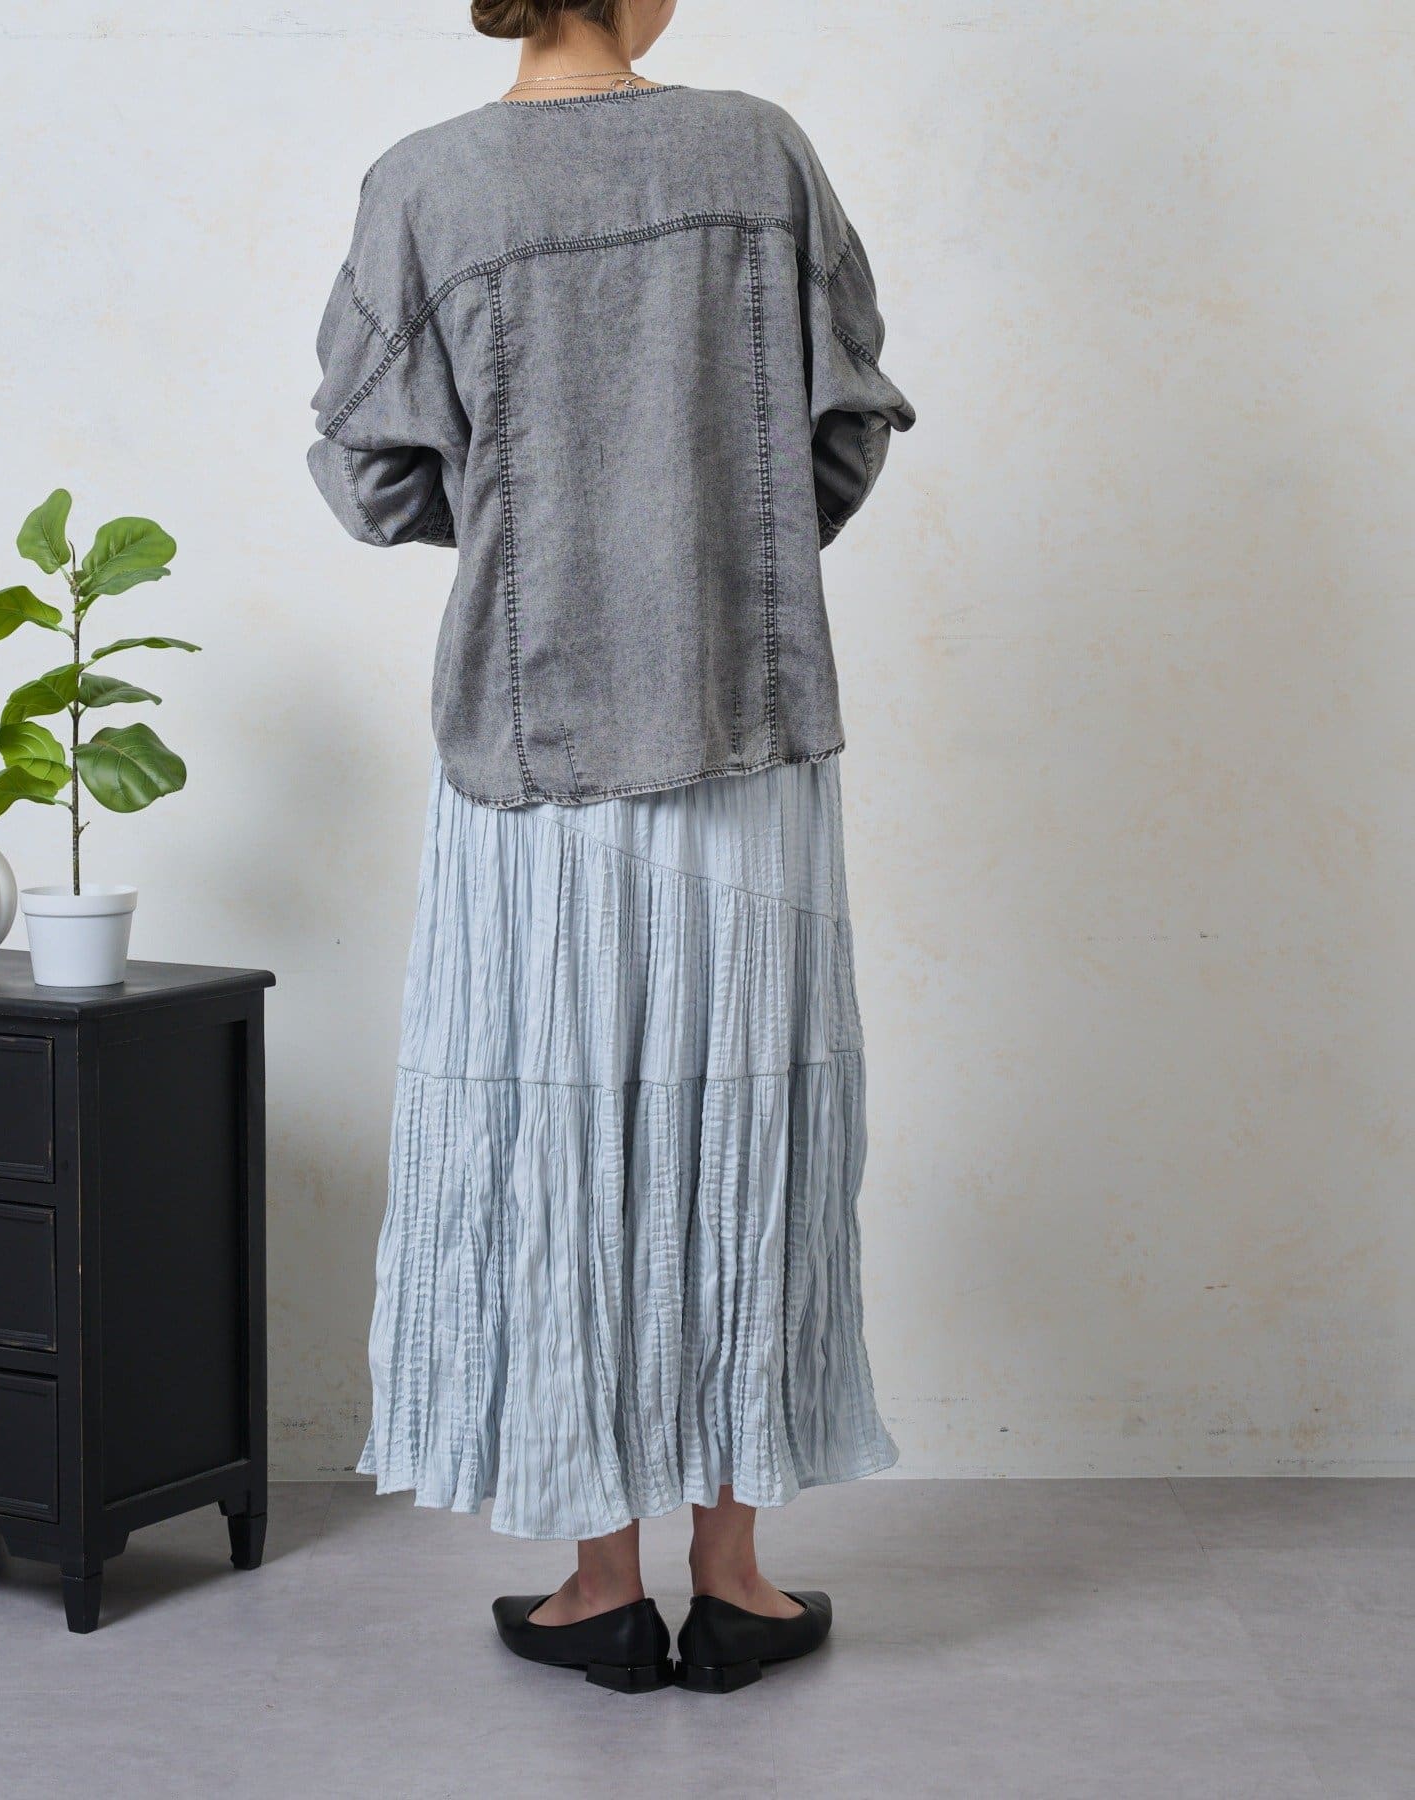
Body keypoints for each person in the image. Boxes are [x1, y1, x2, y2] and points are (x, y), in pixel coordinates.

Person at [308, 0, 914, 1695]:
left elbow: (371, 480)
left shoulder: (426, 185)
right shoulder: (758, 153)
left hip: (535, 750)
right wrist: (723, 548)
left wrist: (537, 536)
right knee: (745, 1130)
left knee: (560, 1145)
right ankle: (734, 1581)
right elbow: (846, 427)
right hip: (746, 720)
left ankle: (599, 1587)